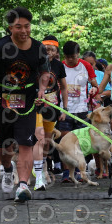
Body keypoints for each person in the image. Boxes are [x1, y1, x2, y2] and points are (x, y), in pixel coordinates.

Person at [0, 7, 50, 202]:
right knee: (5, 147)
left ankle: (23, 185)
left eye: (27, 26)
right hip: (1, 101)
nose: (24, 31)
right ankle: (7, 170)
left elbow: (45, 73)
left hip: (27, 101)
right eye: (19, 27)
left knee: (26, 143)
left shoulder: (38, 48)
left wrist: (42, 90)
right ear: (10, 28)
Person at [59, 41, 98, 182]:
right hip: (65, 110)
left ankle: (79, 171)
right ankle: (66, 172)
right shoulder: (60, 66)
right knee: (65, 141)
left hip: (82, 110)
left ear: (78, 54)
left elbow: (95, 84)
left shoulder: (85, 66)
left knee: (80, 142)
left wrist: (94, 89)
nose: (71, 59)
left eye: (73, 56)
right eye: (68, 57)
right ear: (64, 56)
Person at [36, 35, 68, 189]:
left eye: (51, 49)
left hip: (53, 108)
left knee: (47, 142)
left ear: (56, 52)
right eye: (46, 49)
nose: (48, 52)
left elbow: (64, 87)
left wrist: (65, 109)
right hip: (36, 107)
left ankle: (43, 169)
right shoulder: (35, 63)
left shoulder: (58, 65)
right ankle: (38, 174)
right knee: (39, 138)